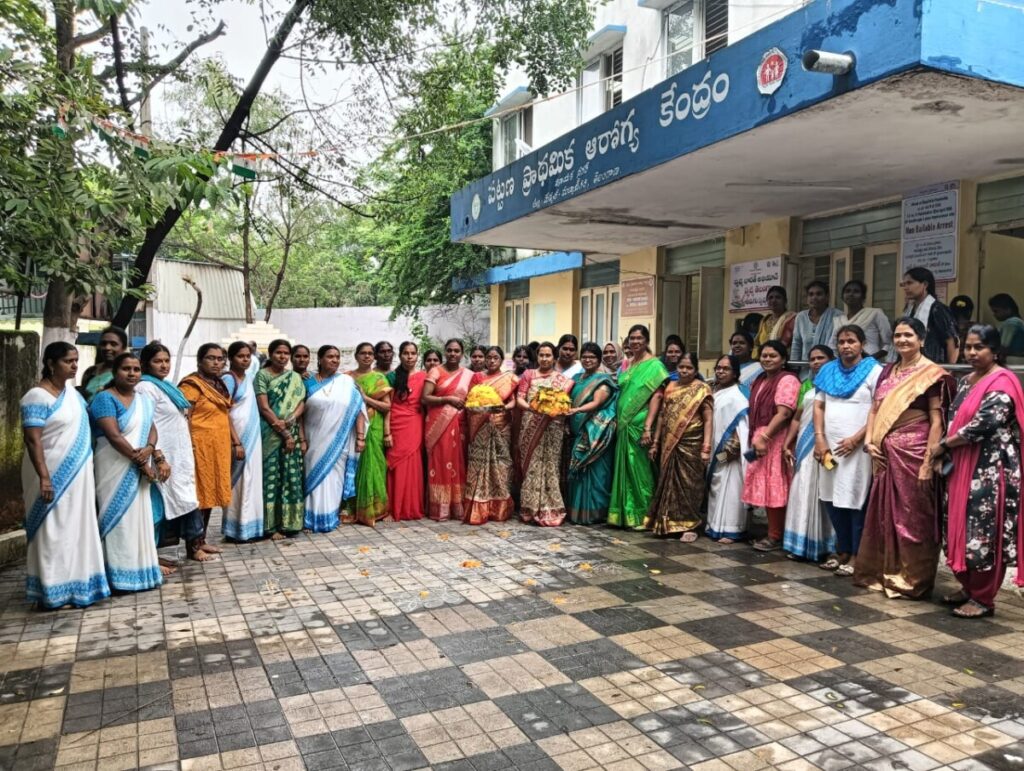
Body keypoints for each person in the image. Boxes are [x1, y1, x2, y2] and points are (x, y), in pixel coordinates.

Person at [856, 317, 953, 599]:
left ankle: (914, 579)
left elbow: (937, 421)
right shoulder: (887, 371)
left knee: (913, 517)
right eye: (898, 335)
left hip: (916, 451)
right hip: (885, 454)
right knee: (884, 515)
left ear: (921, 340)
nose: (902, 340)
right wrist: (868, 441)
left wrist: (927, 461)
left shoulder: (932, 374)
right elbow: (875, 410)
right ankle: (883, 573)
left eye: (908, 335)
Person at [931, 325, 1023, 618]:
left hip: (991, 469)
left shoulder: (1003, 382)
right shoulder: (967, 380)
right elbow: (954, 417)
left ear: (995, 351)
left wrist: (943, 444)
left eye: (978, 347)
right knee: (957, 522)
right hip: (962, 465)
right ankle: (968, 587)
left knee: (984, 530)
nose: (971, 353)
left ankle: (984, 598)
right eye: (968, 347)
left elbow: (985, 423)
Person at [21, 343, 110, 608]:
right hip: (49, 473)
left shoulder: (73, 394)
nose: (74, 365)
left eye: (75, 360)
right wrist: (45, 477)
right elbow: (33, 441)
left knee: (76, 527)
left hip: (79, 475)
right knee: (52, 530)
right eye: (68, 361)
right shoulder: (36, 397)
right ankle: (51, 590)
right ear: (50, 364)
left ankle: (78, 585)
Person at [90, 352, 166, 593]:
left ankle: (141, 572)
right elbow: (113, 435)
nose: (132, 374)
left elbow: (152, 429)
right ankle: (117, 577)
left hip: (139, 463)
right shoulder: (104, 398)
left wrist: (150, 450)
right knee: (118, 519)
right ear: (115, 372)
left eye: (136, 369)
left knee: (139, 519)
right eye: (126, 369)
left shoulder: (143, 399)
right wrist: (141, 461)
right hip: (114, 466)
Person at [813, 326, 881, 574]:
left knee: (855, 500)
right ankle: (841, 549)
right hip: (829, 447)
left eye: (851, 341)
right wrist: (820, 439)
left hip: (857, 449)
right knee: (831, 498)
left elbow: (878, 409)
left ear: (862, 344)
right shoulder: (828, 370)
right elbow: (819, 406)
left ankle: (856, 555)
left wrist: (857, 438)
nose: (845, 346)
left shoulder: (874, 371)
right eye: (841, 341)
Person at [137, 343, 206, 571]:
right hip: (161, 457)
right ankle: (150, 556)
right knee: (156, 507)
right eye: (158, 361)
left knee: (185, 499)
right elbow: (147, 423)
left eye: (167, 360)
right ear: (146, 363)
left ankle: (192, 546)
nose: (164, 365)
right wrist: (158, 457)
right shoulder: (146, 387)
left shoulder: (165, 387)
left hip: (179, 455)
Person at [645, 352, 713, 541]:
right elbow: (662, 416)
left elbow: (708, 420)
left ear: (696, 370)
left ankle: (689, 525)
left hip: (692, 443)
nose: (684, 371)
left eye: (689, 368)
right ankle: (667, 522)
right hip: (669, 442)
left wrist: (706, 447)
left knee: (690, 484)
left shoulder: (702, 389)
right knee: (668, 483)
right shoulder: (670, 387)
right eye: (681, 367)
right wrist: (656, 443)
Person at [608, 324, 669, 529]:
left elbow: (657, 396)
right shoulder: (629, 363)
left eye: (639, 338)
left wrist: (647, 428)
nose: (635, 342)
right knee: (626, 468)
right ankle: (626, 514)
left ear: (647, 340)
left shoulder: (655, 366)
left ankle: (645, 515)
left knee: (640, 470)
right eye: (632, 338)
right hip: (624, 424)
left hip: (640, 423)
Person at [742, 340, 802, 551]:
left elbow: (784, 413)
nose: (767, 359)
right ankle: (772, 531)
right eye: (764, 355)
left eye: (773, 356)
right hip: (760, 435)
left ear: (783, 359)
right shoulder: (760, 379)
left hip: (775, 438)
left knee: (775, 486)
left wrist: (764, 437)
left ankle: (776, 535)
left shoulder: (787, 380)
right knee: (766, 487)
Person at [179, 344, 236, 553]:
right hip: (198, 447)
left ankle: (201, 540)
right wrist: (187, 446)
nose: (216, 363)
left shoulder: (219, 384)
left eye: (221, 359)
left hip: (218, 447)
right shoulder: (192, 385)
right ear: (200, 360)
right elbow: (184, 417)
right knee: (198, 495)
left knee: (210, 493)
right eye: (211, 358)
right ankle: (192, 545)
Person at [781, 345, 835, 562]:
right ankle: (801, 544)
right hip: (804, 448)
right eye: (812, 359)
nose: (815, 362)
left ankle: (830, 546)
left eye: (821, 358)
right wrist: (787, 443)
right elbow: (796, 417)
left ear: (831, 360)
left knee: (826, 493)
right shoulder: (807, 387)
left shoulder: (838, 387)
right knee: (802, 490)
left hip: (827, 448)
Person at [304, 345, 366, 531]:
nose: (335, 360)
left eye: (337, 357)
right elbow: (299, 413)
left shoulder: (346, 382)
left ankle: (330, 516)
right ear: (320, 359)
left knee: (334, 480)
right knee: (313, 478)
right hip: (313, 440)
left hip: (339, 442)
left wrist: (361, 437)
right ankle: (310, 518)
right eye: (330, 356)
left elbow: (358, 410)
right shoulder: (307, 383)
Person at [516, 342, 572, 525]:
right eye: (541, 355)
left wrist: (555, 410)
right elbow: (520, 399)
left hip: (553, 427)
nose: (545, 359)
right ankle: (529, 509)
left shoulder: (561, 379)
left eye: (548, 355)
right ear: (537, 357)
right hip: (531, 424)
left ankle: (551, 509)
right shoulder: (528, 375)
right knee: (532, 466)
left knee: (550, 465)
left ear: (554, 358)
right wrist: (535, 410)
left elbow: (564, 403)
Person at [255, 339, 307, 538]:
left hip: (290, 430)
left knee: (290, 476)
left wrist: (290, 421)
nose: (282, 357)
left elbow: (301, 402)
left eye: (286, 353)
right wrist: (283, 431)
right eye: (278, 353)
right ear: (270, 354)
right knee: (271, 478)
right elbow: (264, 407)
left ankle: (290, 523)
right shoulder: (262, 375)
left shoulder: (294, 376)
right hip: (270, 432)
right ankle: (270, 526)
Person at [464, 346, 518, 524]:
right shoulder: (477, 377)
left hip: (501, 424)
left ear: (502, 360)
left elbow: (513, 402)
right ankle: (479, 508)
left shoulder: (509, 378)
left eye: (496, 358)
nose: (492, 361)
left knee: (502, 464)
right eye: (489, 357)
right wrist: (482, 409)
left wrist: (500, 408)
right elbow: (469, 400)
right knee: (479, 465)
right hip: (479, 424)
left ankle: (499, 508)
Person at [566, 342, 618, 524]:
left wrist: (576, 410)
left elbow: (596, 403)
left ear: (599, 359)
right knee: (579, 472)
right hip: (577, 431)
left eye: (592, 357)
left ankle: (595, 513)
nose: (588, 360)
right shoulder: (577, 377)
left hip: (596, 433)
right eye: (585, 357)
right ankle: (577, 512)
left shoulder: (603, 380)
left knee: (595, 472)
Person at [422, 338, 472, 520]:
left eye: (456, 351)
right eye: (449, 350)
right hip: (438, 423)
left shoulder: (468, 374)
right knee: (439, 461)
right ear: (445, 351)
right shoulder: (436, 371)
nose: (452, 354)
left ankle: (456, 506)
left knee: (457, 462)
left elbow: (471, 399)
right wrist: (448, 399)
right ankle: (439, 507)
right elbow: (425, 397)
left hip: (459, 424)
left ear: (462, 353)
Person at [222, 342, 265, 543]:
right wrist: (236, 442)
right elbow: (223, 412)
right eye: (240, 356)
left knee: (252, 479)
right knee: (239, 481)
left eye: (248, 356)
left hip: (253, 436)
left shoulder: (248, 377)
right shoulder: (228, 380)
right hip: (238, 437)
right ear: (231, 358)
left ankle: (252, 527)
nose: (245, 360)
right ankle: (237, 529)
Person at [705, 355, 749, 543]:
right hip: (714, 451)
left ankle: (732, 530)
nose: (720, 372)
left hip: (730, 456)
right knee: (716, 491)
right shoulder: (715, 392)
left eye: (726, 369)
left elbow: (741, 430)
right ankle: (714, 526)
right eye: (718, 368)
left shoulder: (737, 397)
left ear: (735, 373)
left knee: (731, 491)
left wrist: (723, 456)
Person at [348, 343, 391, 525]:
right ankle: (352, 508)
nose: (367, 356)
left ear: (374, 357)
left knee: (375, 467)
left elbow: (387, 406)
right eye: (363, 353)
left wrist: (365, 399)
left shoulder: (379, 378)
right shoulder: (347, 378)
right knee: (354, 467)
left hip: (374, 427)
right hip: (351, 428)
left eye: (370, 354)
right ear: (356, 356)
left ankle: (374, 510)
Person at [386, 342, 427, 520]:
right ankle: (393, 508)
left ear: (418, 356)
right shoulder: (392, 377)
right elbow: (387, 405)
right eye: (405, 353)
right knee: (394, 463)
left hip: (415, 423)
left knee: (413, 463)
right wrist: (387, 431)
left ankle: (410, 507)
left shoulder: (425, 377)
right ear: (400, 356)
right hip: (396, 423)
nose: (409, 357)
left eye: (413, 353)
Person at [900, 267, 958, 364]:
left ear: (925, 284)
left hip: (933, 366)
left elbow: (952, 341)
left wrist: (949, 370)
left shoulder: (938, 309)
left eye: (910, 283)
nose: (906, 288)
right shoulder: (909, 310)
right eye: (904, 284)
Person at [839, 280, 891, 359]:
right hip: (844, 363)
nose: (851, 294)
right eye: (847, 291)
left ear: (863, 297)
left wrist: (870, 359)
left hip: (870, 362)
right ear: (842, 296)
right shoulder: (839, 320)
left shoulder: (875, 313)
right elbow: (833, 346)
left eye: (856, 291)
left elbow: (889, 343)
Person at [792, 281, 842, 363]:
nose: (814, 297)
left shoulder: (837, 316)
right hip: (805, 367)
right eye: (811, 294)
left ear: (827, 297)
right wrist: (794, 366)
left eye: (819, 294)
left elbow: (838, 344)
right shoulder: (801, 317)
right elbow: (796, 344)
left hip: (829, 367)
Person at [81, 325, 128, 400]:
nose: (107, 348)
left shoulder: (128, 373)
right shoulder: (91, 371)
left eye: (113, 344)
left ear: (124, 347)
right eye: (104, 344)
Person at [753, 286, 796, 358]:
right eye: (770, 298)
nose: (773, 300)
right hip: (764, 359)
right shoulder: (765, 320)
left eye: (778, 297)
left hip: (784, 359)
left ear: (785, 301)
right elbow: (757, 343)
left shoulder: (792, 319)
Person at [989, 293, 1024, 363]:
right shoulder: (1019, 322)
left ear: (1008, 309)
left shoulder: (1011, 323)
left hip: (1013, 361)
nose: (994, 314)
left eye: (996, 311)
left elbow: (1004, 347)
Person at [731, 331, 762, 396]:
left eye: (742, 343)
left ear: (750, 347)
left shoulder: (760, 368)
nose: (737, 346)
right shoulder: (725, 367)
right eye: (734, 343)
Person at [950, 295, 975, 363]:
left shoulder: (946, 328)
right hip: (972, 367)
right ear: (970, 312)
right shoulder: (977, 329)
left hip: (950, 367)